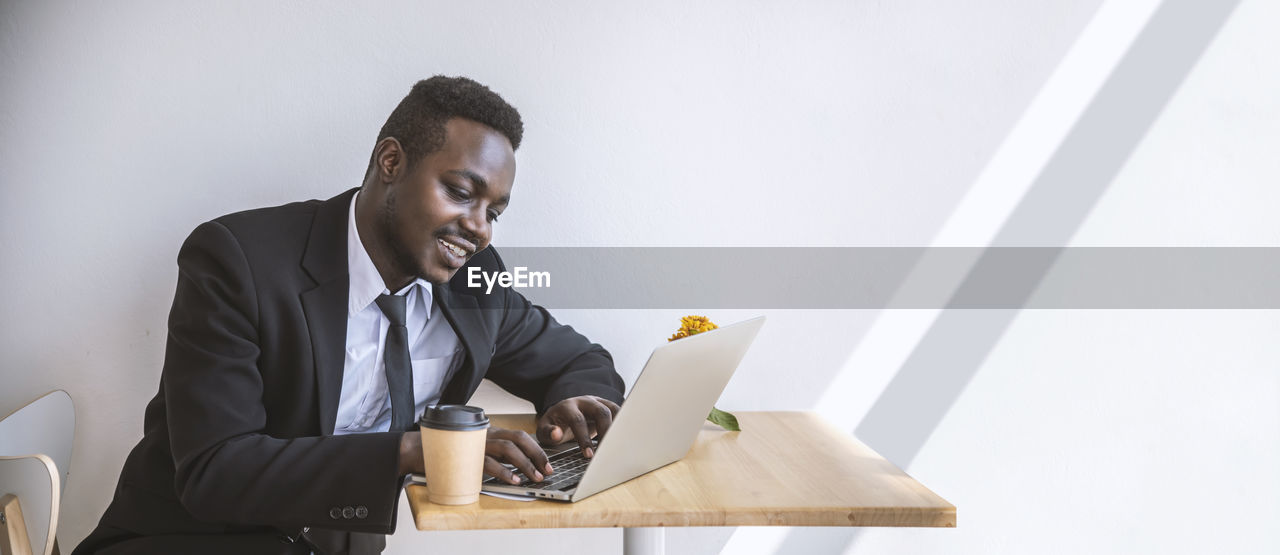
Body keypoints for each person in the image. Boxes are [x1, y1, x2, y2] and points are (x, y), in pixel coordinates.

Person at [73, 76, 625, 555]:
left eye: (494, 212)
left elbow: (580, 360)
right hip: (187, 543)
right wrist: (418, 450)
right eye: (461, 192)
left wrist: (575, 402)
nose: (480, 228)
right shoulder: (236, 260)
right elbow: (215, 470)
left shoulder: (471, 284)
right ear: (391, 162)